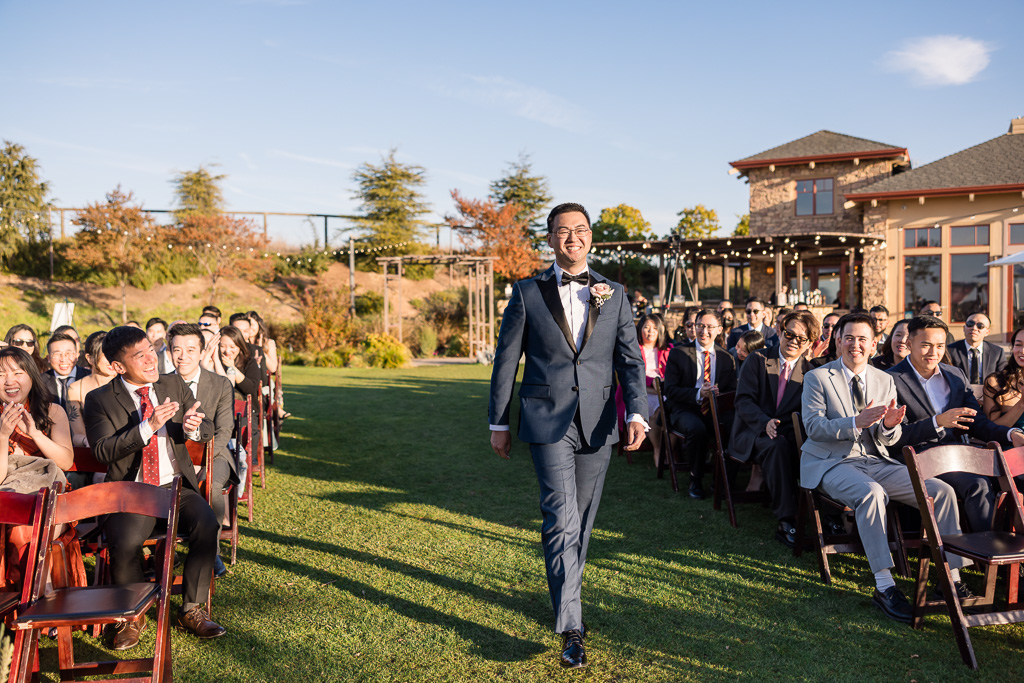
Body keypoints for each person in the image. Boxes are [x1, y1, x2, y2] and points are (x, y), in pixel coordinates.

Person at [488, 202, 647, 669]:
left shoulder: (613, 293)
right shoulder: (526, 292)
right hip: (546, 419)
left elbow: (631, 362)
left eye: (580, 230)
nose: (572, 238)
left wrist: (637, 412)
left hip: (599, 424)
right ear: (552, 238)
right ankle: (573, 630)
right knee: (561, 518)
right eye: (563, 231)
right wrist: (499, 422)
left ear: (591, 237)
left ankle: (567, 604)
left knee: (582, 523)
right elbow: (505, 361)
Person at [800, 313, 969, 624]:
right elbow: (813, 427)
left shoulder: (884, 379)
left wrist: (890, 426)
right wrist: (855, 422)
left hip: (876, 460)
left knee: (940, 490)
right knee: (872, 493)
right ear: (838, 341)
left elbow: (889, 437)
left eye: (863, 339)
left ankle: (951, 579)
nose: (855, 344)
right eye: (849, 337)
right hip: (831, 462)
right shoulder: (817, 377)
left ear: (874, 344)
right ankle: (885, 585)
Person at [84, 325, 225, 650]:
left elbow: (206, 426)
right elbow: (103, 450)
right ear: (119, 366)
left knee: (207, 523)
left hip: (176, 487)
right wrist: (148, 426)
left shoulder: (172, 383)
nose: (151, 359)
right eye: (140, 356)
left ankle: (191, 608)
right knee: (125, 540)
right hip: (131, 491)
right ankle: (130, 616)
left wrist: (193, 428)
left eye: (151, 350)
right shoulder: (100, 399)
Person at [888, 315, 1023, 533]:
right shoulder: (890, 379)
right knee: (978, 484)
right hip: (917, 457)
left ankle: (1013, 548)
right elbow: (895, 436)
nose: (934, 353)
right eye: (926, 345)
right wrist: (937, 422)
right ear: (909, 344)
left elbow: (977, 422)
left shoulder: (954, 374)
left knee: (1013, 475)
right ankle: (987, 551)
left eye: (940, 346)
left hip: (959, 454)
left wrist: (1011, 434)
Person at [732, 310, 818, 546]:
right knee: (778, 445)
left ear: (809, 343)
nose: (794, 341)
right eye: (790, 334)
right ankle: (786, 519)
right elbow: (743, 401)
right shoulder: (758, 359)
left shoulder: (810, 372)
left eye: (802, 338)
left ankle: (824, 514)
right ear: (780, 331)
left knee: (810, 448)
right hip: (753, 431)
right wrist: (764, 422)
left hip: (788, 434)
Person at [168, 323, 237, 578]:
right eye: (177, 350)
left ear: (201, 352)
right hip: (173, 455)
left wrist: (203, 462)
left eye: (190, 349)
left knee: (211, 485)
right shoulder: (161, 383)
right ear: (169, 352)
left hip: (214, 455)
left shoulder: (220, 384)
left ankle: (212, 551)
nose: (183, 356)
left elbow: (225, 429)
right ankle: (162, 549)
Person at [0, 346, 74, 587]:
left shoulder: (53, 411)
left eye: (17, 373)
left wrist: (35, 434)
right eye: (1, 375)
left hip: (50, 499)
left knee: (27, 530)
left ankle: (39, 604)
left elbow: (65, 462)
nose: (9, 381)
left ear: (31, 375)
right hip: (6, 501)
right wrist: (3, 437)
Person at [663, 308, 737, 500]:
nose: (704, 331)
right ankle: (696, 478)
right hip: (684, 408)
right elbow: (669, 390)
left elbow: (732, 390)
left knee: (735, 426)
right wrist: (698, 393)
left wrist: (721, 394)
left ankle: (723, 479)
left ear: (720, 329)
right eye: (700, 326)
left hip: (715, 408)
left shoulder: (726, 357)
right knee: (697, 429)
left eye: (710, 327)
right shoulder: (678, 353)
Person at [616, 314, 671, 467]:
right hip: (638, 394)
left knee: (668, 411)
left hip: (663, 392)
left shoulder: (669, 350)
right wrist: (652, 381)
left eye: (654, 328)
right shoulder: (633, 350)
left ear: (661, 330)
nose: (650, 331)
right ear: (639, 329)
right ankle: (658, 449)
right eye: (646, 327)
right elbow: (631, 375)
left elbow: (672, 374)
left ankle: (668, 449)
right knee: (655, 412)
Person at [67, 331, 116, 449]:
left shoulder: (126, 383)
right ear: (90, 358)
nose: (112, 360)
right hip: (93, 450)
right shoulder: (76, 389)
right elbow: (77, 434)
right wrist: (86, 440)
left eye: (114, 353)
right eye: (106, 355)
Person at [947, 313, 1005, 388]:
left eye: (980, 326)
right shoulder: (950, 350)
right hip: (960, 395)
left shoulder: (997, 352)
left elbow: (1002, 378)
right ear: (964, 328)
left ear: (987, 332)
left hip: (988, 395)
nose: (974, 328)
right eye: (970, 324)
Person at [983, 327, 1024, 430]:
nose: (1022, 351)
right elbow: (990, 431)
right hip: (1010, 444)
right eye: (1018, 345)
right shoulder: (996, 382)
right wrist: (1021, 405)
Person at [42, 332, 91, 411]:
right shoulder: (40, 382)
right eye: (57, 354)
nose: (63, 359)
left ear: (77, 355)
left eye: (68, 353)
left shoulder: (89, 377)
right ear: (48, 358)